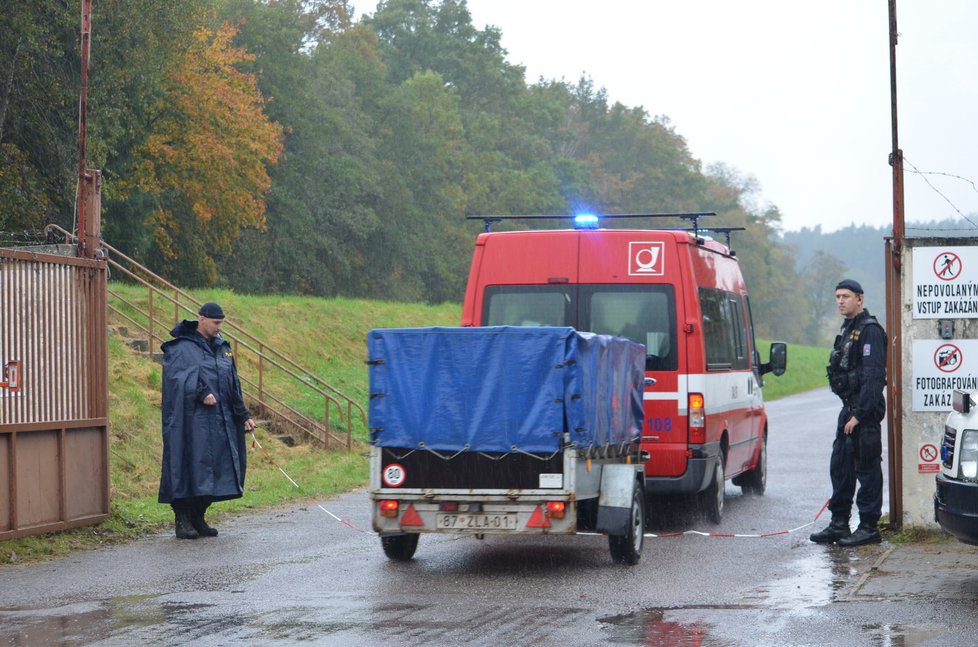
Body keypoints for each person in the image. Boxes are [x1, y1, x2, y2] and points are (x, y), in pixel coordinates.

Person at [158, 302, 256, 539]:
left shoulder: (224, 349)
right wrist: (201, 392)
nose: (219, 328)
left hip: (220, 423)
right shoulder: (182, 347)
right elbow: (177, 378)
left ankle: (199, 516)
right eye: (216, 323)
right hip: (191, 424)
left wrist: (244, 415)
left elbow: (233, 385)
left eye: (221, 323)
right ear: (201, 319)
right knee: (188, 465)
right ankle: (182, 518)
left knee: (217, 469)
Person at [810, 279, 887, 547]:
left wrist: (859, 415)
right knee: (840, 468)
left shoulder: (870, 331)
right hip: (849, 409)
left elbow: (874, 377)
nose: (840, 301)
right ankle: (839, 524)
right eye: (838, 297)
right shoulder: (848, 328)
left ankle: (868, 527)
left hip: (863, 414)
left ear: (860, 299)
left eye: (846, 296)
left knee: (867, 469)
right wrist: (850, 413)